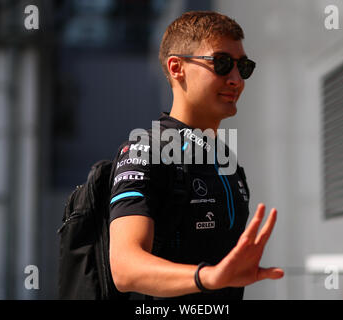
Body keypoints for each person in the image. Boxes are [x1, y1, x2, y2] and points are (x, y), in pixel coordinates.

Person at [108, 11, 284, 300]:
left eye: (244, 67)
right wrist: (209, 277)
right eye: (222, 63)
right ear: (177, 67)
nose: (236, 79)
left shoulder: (224, 158)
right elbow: (125, 269)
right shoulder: (144, 150)